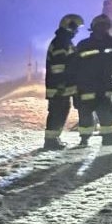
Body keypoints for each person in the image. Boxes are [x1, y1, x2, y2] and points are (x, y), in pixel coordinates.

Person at [71, 13, 112, 146]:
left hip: (104, 84)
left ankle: (107, 137)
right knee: (86, 112)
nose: (102, 29)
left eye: (104, 26)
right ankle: (84, 138)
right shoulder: (83, 44)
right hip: (86, 84)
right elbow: (74, 65)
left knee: (106, 111)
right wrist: (74, 85)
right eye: (100, 26)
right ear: (93, 28)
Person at [42, 13, 83, 150]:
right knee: (57, 112)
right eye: (75, 27)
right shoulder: (61, 42)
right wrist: (61, 84)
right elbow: (58, 66)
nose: (77, 30)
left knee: (61, 111)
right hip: (59, 86)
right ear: (69, 26)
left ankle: (53, 139)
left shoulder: (64, 40)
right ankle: (50, 141)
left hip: (61, 86)